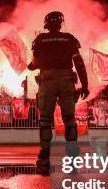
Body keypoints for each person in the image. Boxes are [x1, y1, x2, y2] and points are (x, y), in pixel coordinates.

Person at [27, 11, 90, 170]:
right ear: (61, 23)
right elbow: (79, 62)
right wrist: (85, 84)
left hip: (47, 81)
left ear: (46, 24)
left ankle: (44, 156)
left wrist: (30, 66)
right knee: (69, 118)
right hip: (66, 80)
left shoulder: (40, 39)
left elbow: (35, 63)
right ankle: (73, 156)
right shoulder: (69, 38)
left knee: (45, 119)